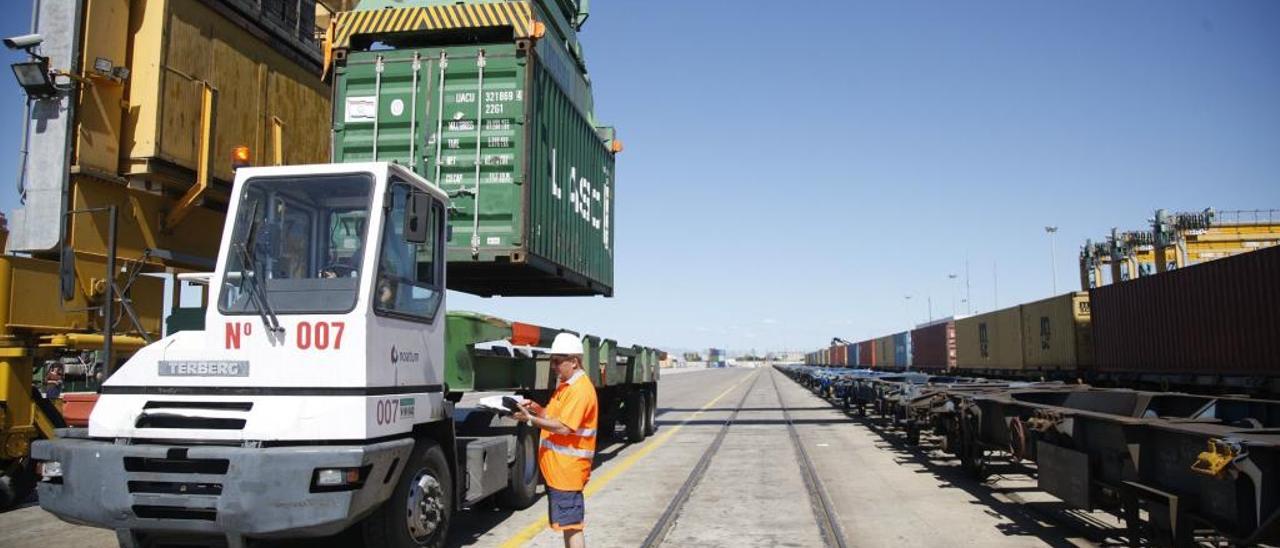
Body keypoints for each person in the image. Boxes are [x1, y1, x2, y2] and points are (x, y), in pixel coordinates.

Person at [513, 333, 599, 548]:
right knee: (567, 526)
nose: (553, 366)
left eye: (557, 362)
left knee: (572, 527)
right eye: (552, 361)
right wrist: (536, 408)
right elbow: (553, 417)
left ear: (574, 361)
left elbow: (564, 427)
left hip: (567, 472)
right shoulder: (566, 387)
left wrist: (531, 419)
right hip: (559, 472)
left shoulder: (580, 391)